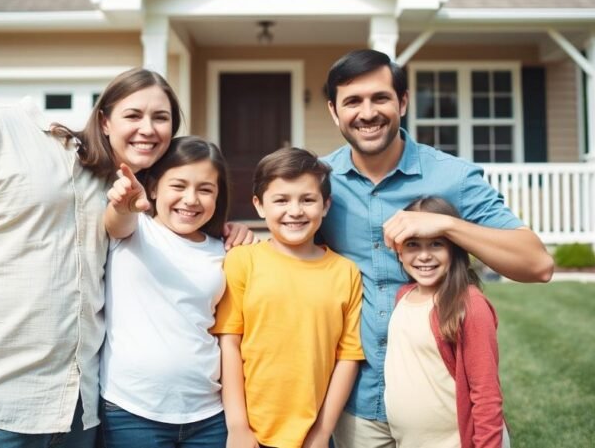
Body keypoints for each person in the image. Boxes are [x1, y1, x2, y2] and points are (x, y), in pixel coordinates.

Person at [0, 69, 251, 448]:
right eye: (133, 115)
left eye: (161, 118)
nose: (148, 128)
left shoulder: (128, 196)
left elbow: (175, 228)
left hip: (81, 413)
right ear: (104, 120)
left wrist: (226, 231)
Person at [319, 49, 553, 448]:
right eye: (352, 101)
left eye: (380, 98)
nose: (367, 112)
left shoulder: (453, 177)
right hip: (356, 407)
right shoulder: (319, 182)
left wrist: (447, 224)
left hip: (441, 408)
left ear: (403, 102)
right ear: (333, 111)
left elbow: (537, 264)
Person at [214, 148, 364, 448]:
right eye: (281, 200)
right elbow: (229, 342)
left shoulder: (345, 272)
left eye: (307, 200)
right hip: (249, 433)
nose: (295, 211)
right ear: (259, 205)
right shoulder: (242, 261)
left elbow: (348, 357)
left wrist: (322, 433)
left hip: (312, 435)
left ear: (325, 205)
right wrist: (238, 426)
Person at [99, 136, 232, 447]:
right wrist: (124, 204)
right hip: (132, 410)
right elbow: (117, 222)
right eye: (179, 185)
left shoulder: (224, 251)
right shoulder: (136, 230)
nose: (191, 199)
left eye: (205, 189)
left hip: (209, 413)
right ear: (155, 187)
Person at [385, 197, 508, 448]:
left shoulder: (469, 306)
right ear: (399, 250)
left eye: (436, 244)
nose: (424, 256)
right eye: (412, 244)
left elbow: (486, 395)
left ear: (454, 248)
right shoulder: (403, 297)